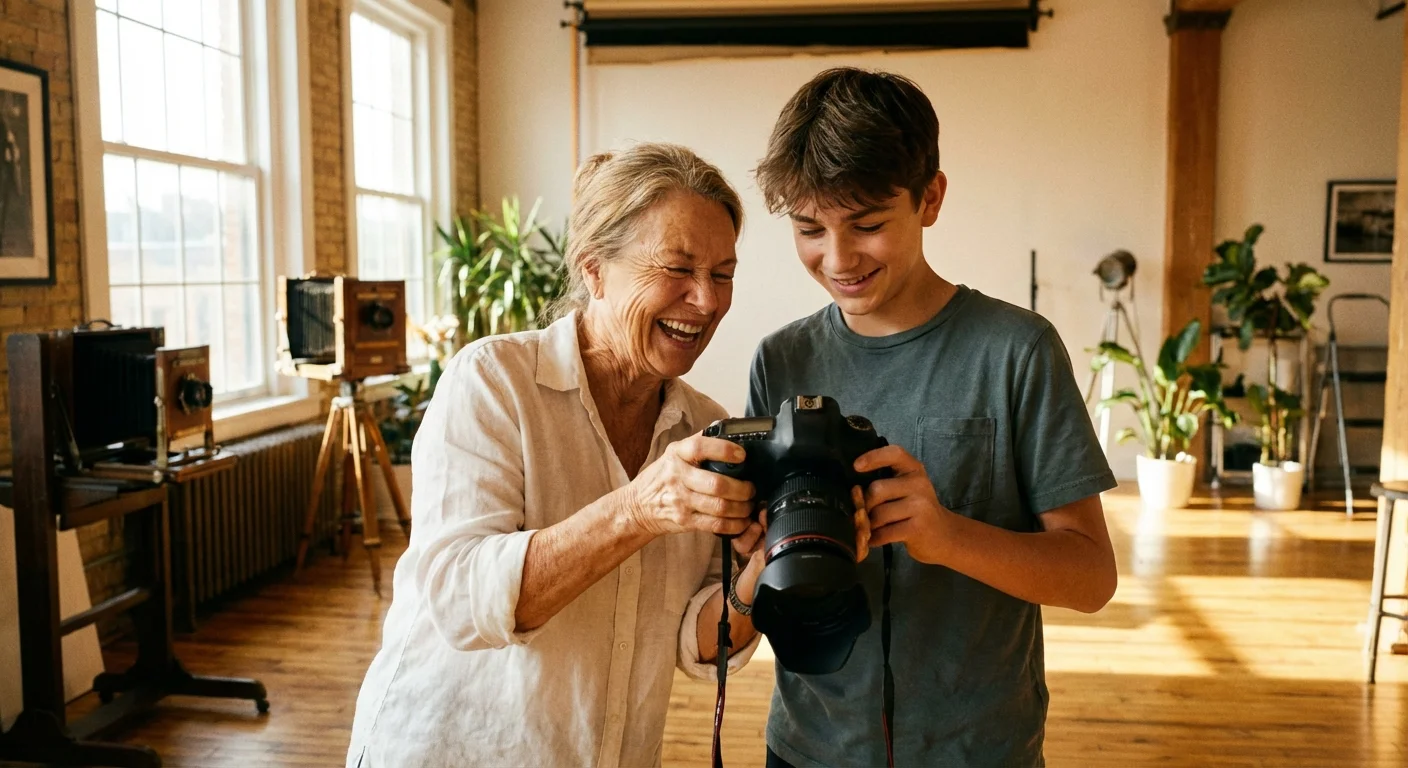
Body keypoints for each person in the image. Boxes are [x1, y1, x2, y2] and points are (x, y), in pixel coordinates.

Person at [346, 143, 769, 768]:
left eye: (723, 273)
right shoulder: (492, 381)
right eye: (677, 269)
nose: (706, 301)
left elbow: (695, 641)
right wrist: (637, 510)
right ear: (594, 268)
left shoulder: (706, 425)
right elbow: (463, 605)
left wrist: (761, 567)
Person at [747, 67, 1119, 768]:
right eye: (808, 228)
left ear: (931, 198)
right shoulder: (780, 359)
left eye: (867, 224)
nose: (838, 257)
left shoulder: (1017, 351)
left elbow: (1092, 576)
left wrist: (945, 534)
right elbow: (755, 562)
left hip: (979, 748)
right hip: (807, 746)